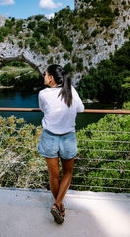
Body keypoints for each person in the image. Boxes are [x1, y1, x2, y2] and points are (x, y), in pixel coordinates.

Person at [38, 64, 84, 224]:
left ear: (50, 78)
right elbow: (81, 109)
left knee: (53, 175)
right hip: (67, 137)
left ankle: (59, 205)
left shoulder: (43, 94)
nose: (43, 76)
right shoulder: (70, 90)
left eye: (45, 74)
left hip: (49, 137)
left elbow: (44, 109)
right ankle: (58, 205)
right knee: (68, 172)